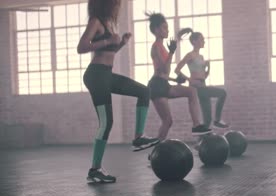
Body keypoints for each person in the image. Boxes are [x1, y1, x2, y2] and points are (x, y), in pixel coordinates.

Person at [77, 0, 159, 183]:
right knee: (107, 122)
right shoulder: (96, 21)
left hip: (106, 74)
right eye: (115, 3)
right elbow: (81, 47)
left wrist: (121, 43)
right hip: (96, 75)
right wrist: (107, 40)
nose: (117, 7)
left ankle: (138, 137)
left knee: (144, 91)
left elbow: (109, 51)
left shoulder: (108, 23)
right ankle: (95, 169)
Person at [145, 13, 211, 141]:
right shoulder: (155, 47)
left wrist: (175, 79)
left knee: (191, 91)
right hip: (156, 87)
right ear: (156, 30)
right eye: (164, 27)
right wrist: (171, 52)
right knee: (167, 121)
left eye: (167, 27)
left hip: (163, 83)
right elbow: (164, 69)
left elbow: (163, 73)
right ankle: (156, 151)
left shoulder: (163, 47)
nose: (167, 30)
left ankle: (196, 125)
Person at [175, 28, 229, 129]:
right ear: (194, 41)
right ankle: (217, 120)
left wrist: (208, 68)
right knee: (222, 93)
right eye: (201, 39)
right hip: (196, 87)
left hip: (202, 84)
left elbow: (204, 76)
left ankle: (201, 142)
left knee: (207, 119)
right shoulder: (190, 55)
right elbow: (177, 70)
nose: (204, 41)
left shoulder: (201, 57)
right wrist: (189, 80)